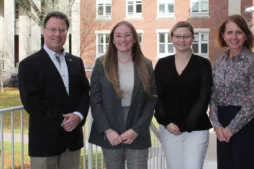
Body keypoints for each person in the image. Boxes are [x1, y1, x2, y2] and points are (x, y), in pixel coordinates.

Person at [18, 11, 90, 169]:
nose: (57, 34)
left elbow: (85, 93)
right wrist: (62, 120)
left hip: (72, 142)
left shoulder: (76, 62)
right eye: (52, 29)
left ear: (66, 33)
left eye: (62, 30)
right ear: (44, 31)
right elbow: (31, 102)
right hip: (45, 143)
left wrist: (78, 116)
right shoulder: (28, 65)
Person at [88, 20, 157, 169]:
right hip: (110, 124)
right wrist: (108, 130)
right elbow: (95, 100)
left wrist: (136, 130)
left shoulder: (146, 65)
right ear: (112, 40)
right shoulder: (101, 64)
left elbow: (151, 101)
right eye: (118, 36)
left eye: (127, 35)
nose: (123, 40)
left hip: (137, 125)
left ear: (134, 39)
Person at [154, 21, 213, 169]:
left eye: (186, 36)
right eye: (178, 36)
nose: (182, 40)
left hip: (196, 129)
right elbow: (156, 95)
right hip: (169, 129)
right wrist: (167, 122)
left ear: (192, 38)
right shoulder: (162, 64)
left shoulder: (203, 64)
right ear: (172, 38)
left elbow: (203, 97)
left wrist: (185, 124)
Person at [209, 14, 254, 169]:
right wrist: (217, 125)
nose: (234, 37)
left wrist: (230, 129)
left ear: (245, 35)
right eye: (229, 32)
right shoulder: (219, 63)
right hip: (222, 127)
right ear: (223, 35)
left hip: (244, 126)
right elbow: (212, 97)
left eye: (239, 32)